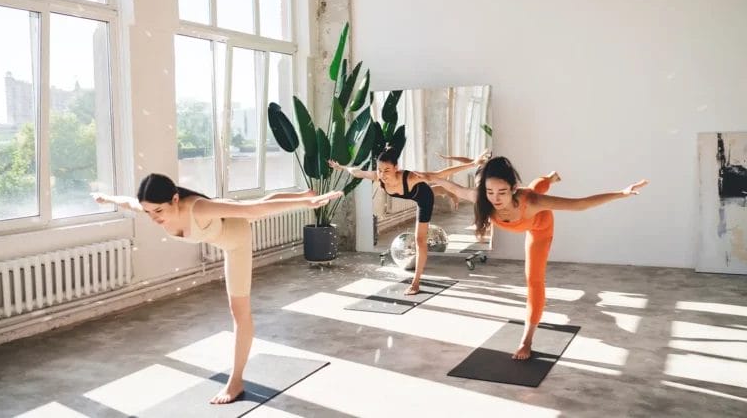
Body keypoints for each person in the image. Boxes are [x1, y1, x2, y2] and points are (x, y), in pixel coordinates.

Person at [92, 173, 342, 404]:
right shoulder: (152, 207)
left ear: (175, 199)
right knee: (257, 207)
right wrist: (107, 198)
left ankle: (236, 382)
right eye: (148, 212)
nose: (154, 217)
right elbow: (129, 203)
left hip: (236, 239)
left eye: (158, 210)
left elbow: (254, 208)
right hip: (222, 222)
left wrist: (306, 206)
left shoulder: (198, 208)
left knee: (240, 309)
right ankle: (302, 194)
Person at [433, 157, 647, 360]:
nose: (495, 199)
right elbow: (453, 187)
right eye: (489, 192)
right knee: (536, 186)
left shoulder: (532, 202)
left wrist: (622, 193)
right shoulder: (482, 198)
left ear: (513, 188)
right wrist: (423, 177)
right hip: (527, 204)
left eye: (502, 192)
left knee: (534, 279)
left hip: (540, 226)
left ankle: (526, 340)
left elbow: (580, 205)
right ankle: (551, 177)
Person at [328, 147, 486, 295]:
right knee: (431, 191)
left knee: (420, 239)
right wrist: (341, 167)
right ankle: (441, 190)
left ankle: (415, 283)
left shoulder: (410, 177)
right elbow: (357, 172)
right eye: (380, 170)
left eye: (387, 170)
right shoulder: (379, 177)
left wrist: (472, 164)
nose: (382, 174)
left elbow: (439, 174)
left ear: (396, 167)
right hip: (412, 194)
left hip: (423, 198)